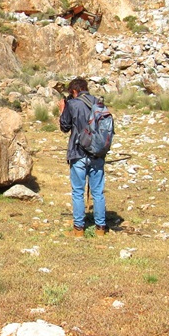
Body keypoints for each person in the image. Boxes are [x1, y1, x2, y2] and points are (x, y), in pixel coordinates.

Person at [58, 77, 106, 237]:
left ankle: (79, 229)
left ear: (74, 91)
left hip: (78, 153)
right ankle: (100, 229)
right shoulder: (98, 103)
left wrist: (62, 110)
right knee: (98, 192)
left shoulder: (72, 104)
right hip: (97, 153)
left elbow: (65, 127)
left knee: (78, 192)